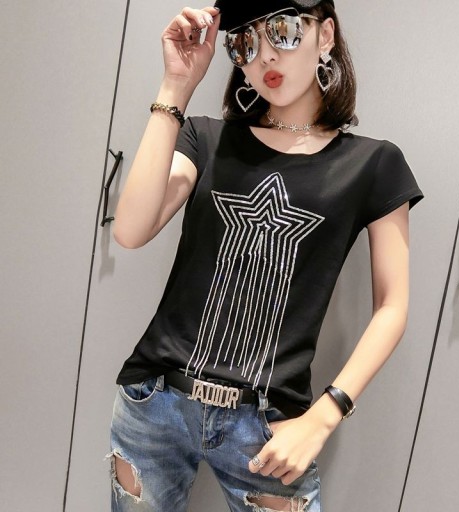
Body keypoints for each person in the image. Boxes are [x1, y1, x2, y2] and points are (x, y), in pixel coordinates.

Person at [108, 1, 423, 511]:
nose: (264, 56)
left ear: (325, 36)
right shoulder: (206, 138)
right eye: (245, 43)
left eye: (283, 31)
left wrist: (324, 417)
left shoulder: (373, 164)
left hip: (268, 429)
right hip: (155, 403)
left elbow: (393, 307)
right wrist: (175, 87)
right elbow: (129, 229)